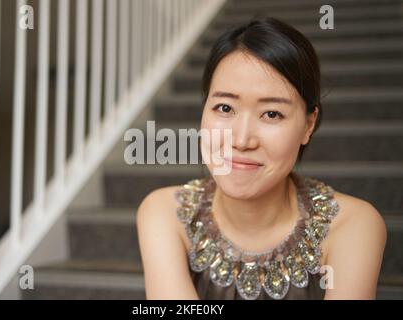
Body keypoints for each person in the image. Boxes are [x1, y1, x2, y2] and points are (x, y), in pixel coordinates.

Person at [136, 17, 387, 300]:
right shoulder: (165, 213)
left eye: (271, 114)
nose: (242, 140)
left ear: (308, 125)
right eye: (224, 107)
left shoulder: (352, 225)